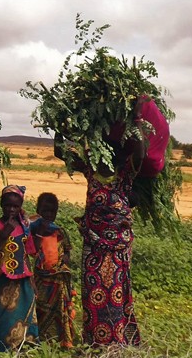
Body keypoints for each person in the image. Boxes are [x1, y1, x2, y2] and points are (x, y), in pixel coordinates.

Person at [55, 131, 144, 346]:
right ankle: (94, 342)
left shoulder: (125, 175)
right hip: (93, 245)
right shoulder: (90, 171)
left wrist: (138, 124)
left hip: (118, 247)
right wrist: (59, 124)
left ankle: (117, 342)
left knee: (117, 292)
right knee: (93, 292)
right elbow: (59, 151)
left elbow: (141, 154)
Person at [0, 185, 38, 352]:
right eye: (7, 205)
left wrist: (32, 279)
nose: (11, 209)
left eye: (15, 206)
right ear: (2, 204)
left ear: (20, 206)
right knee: (3, 315)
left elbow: (27, 254)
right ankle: (2, 348)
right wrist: (3, 234)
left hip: (23, 277)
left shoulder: (24, 226)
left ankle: (25, 346)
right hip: (3, 278)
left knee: (25, 312)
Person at [30, 192, 76, 348]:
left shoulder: (59, 231)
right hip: (40, 280)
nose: (48, 215)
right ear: (38, 211)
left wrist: (66, 259)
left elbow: (67, 250)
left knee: (59, 312)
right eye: (45, 211)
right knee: (39, 309)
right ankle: (38, 339)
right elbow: (31, 252)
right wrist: (39, 233)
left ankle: (60, 340)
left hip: (58, 281)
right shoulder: (32, 230)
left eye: (52, 211)